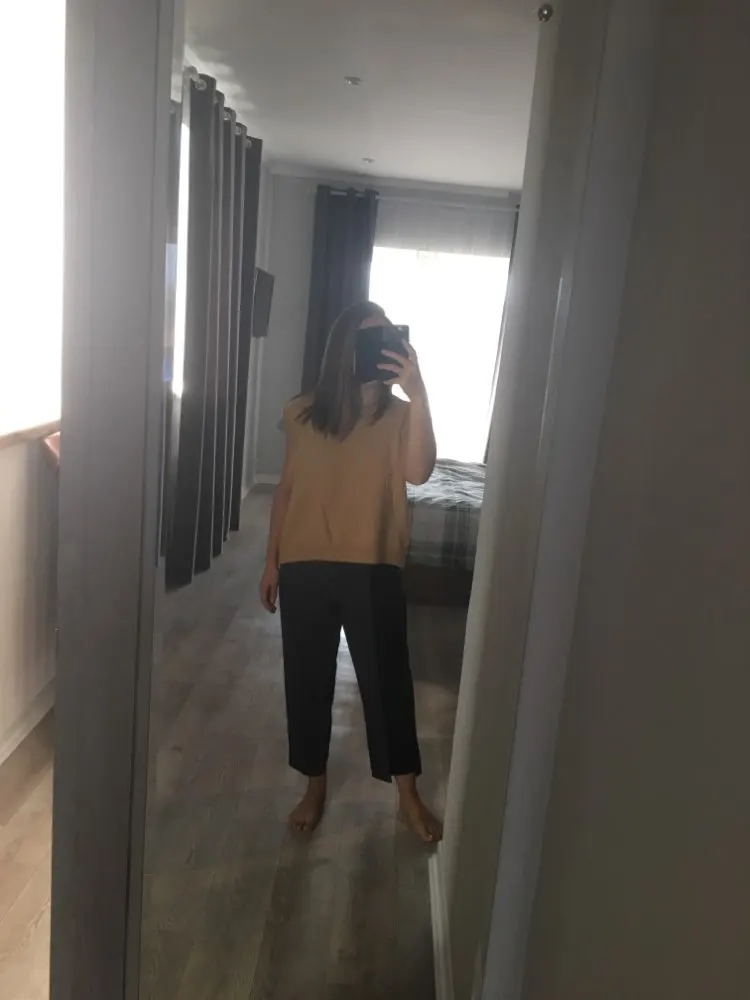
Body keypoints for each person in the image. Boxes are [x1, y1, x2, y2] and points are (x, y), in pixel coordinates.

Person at [259, 300, 443, 844]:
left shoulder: (400, 416)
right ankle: (314, 786)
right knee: (307, 682)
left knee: (389, 686)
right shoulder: (301, 411)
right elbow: (286, 489)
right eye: (368, 337)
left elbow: (419, 472)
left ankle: (408, 794)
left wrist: (419, 392)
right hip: (304, 565)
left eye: (386, 337)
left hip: (373, 564)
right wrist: (271, 560)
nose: (378, 346)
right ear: (344, 347)